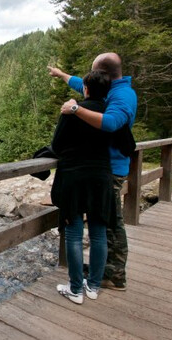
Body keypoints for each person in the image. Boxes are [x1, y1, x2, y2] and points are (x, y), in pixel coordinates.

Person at [48, 52, 137, 290]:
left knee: (111, 224)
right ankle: (99, 277)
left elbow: (110, 123)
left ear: (103, 76)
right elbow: (83, 83)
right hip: (100, 170)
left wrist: (75, 109)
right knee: (102, 226)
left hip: (109, 170)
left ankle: (115, 275)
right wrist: (61, 75)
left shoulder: (122, 96)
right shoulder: (108, 89)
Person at [51, 70, 116, 304]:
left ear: (85, 89)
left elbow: (56, 145)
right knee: (99, 235)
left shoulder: (72, 110)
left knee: (74, 234)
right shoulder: (111, 113)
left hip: (74, 178)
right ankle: (94, 286)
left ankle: (76, 289)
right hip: (101, 178)